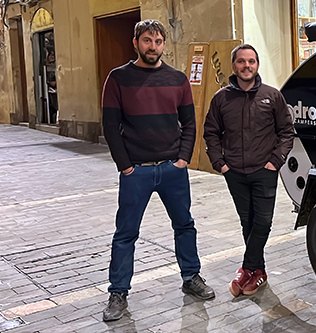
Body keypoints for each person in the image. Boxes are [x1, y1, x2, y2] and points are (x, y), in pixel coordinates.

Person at [100, 19, 214, 322]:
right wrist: (125, 166)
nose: (153, 46)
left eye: (159, 41)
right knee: (126, 233)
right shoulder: (118, 79)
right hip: (135, 171)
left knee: (185, 226)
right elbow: (111, 127)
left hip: (172, 169)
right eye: (148, 40)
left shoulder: (177, 79)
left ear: (164, 44)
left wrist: (182, 159)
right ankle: (118, 292)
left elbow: (190, 123)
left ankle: (191, 278)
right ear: (135, 42)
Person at [203, 43, 294, 296]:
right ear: (234, 66)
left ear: (257, 65)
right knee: (248, 222)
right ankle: (259, 272)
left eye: (251, 61)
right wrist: (220, 164)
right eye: (241, 61)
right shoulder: (222, 98)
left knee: (263, 222)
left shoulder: (272, 96)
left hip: (264, 170)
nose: (246, 66)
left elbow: (286, 132)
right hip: (235, 173)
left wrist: (276, 162)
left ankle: (247, 267)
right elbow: (210, 132)